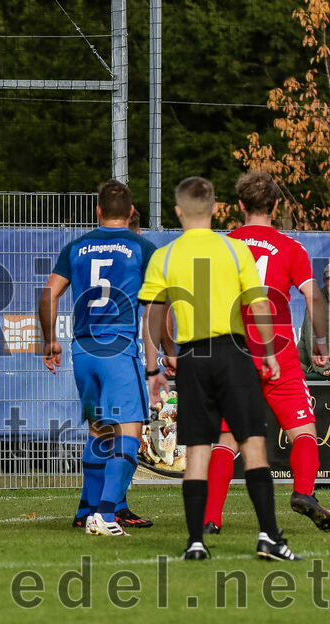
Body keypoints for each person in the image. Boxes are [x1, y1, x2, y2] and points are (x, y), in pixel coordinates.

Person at [140, 176, 299, 561]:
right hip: (233, 352)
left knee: (198, 450)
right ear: (216, 209)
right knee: (253, 446)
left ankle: (195, 542)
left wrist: (154, 367)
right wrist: (270, 354)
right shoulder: (234, 250)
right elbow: (260, 305)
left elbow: (153, 314)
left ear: (178, 211)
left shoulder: (165, 255)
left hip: (193, 358)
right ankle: (269, 538)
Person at [203, 172, 330, 533]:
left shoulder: (222, 247)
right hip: (279, 351)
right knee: (304, 433)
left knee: (227, 441)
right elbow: (313, 296)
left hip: (235, 352)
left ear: (240, 205)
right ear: (276, 205)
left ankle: (211, 518)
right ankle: (304, 492)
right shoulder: (291, 248)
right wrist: (320, 345)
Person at [38, 180, 155, 536]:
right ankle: (105, 515)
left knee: (99, 429)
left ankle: (86, 508)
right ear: (132, 213)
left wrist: (49, 342)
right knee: (131, 430)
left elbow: (48, 295)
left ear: (98, 211)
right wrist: (158, 358)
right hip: (118, 349)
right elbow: (153, 309)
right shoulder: (142, 248)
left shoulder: (76, 247)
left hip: (83, 351)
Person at [299, 264, 330, 379]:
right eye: (328, 279)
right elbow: (311, 337)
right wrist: (324, 367)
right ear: (325, 281)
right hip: (310, 367)